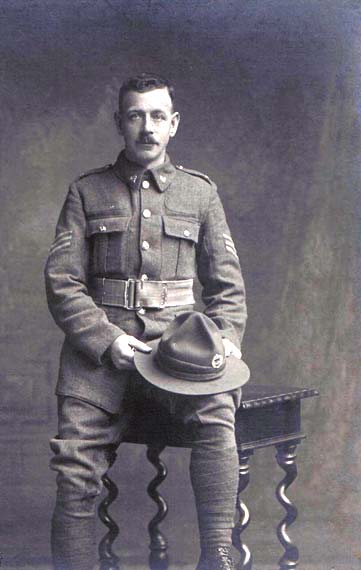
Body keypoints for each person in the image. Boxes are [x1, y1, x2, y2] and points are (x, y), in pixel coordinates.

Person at [45, 73, 248, 570]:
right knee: (74, 463)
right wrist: (106, 339)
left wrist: (224, 339)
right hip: (102, 356)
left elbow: (227, 288)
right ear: (120, 122)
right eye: (135, 115)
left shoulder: (200, 195)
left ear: (174, 124)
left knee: (218, 417)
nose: (147, 127)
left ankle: (217, 555)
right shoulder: (87, 192)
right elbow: (63, 283)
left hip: (179, 351)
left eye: (158, 116)